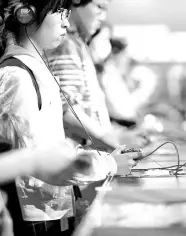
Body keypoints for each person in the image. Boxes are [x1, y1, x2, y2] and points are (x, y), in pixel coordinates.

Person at [0, 0, 139, 235]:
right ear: (26, 15)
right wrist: (109, 163)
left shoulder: (36, 70)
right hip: (37, 222)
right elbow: (41, 162)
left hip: (51, 213)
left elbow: (51, 151)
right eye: (59, 13)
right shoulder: (17, 76)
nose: (66, 21)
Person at [47, 0, 147, 151]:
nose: (103, 16)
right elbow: (67, 111)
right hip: (78, 160)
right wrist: (115, 141)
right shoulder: (66, 46)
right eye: (100, 7)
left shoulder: (77, 45)